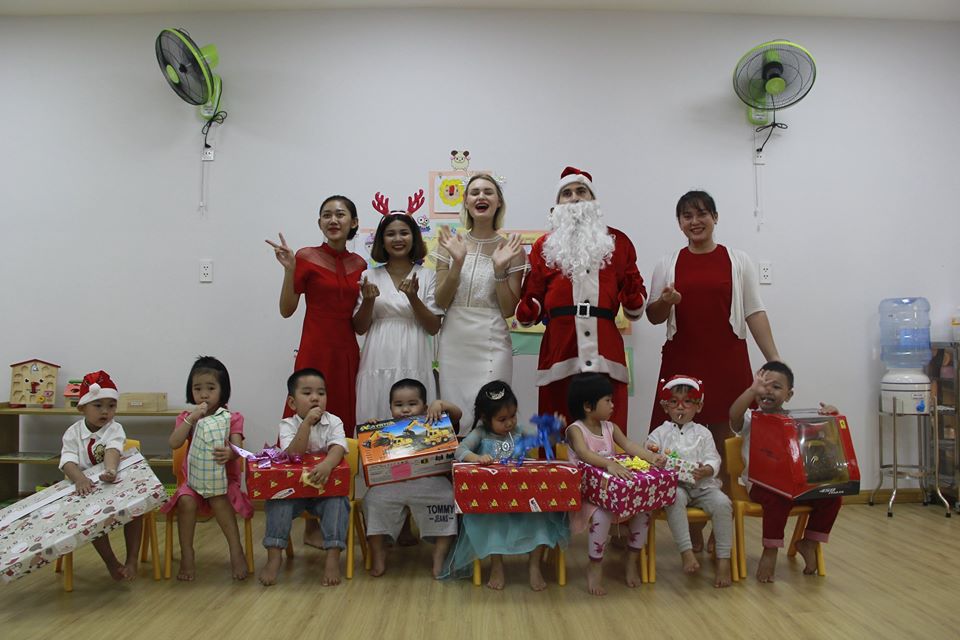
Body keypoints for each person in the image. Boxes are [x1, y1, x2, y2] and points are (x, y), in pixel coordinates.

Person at [515, 167, 646, 429]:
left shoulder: (618, 242)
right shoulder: (543, 246)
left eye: (581, 191)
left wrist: (633, 296)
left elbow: (635, 304)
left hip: (606, 353)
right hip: (559, 351)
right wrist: (529, 307)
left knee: (608, 433)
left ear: (593, 199)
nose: (574, 198)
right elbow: (532, 298)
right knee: (558, 433)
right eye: (567, 193)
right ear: (557, 205)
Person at [442, 381, 570, 591]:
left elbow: (545, 440)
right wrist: (477, 458)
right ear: (485, 418)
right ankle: (496, 565)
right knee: (492, 523)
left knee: (541, 518)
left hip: (525, 499)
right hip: (493, 503)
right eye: (502, 419)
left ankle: (534, 565)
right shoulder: (481, 433)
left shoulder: (519, 431)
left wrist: (555, 429)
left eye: (512, 416)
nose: (510, 423)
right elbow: (459, 450)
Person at [729, 361, 842, 583]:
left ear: (788, 395)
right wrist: (751, 390)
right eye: (764, 385)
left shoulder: (795, 419)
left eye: (776, 387)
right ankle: (770, 551)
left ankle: (809, 542)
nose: (768, 391)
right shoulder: (751, 418)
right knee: (777, 498)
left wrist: (830, 415)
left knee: (832, 496)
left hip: (796, 484)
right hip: (760, 485)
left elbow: (820, 443)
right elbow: (734, 415)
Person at [434, 174, 526, 432]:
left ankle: (491, 459)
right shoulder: (449, 244)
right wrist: (457, 264)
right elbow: (441, 300)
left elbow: (508, 310)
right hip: (455, 340)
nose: (481, 197)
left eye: (488, 192)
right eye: (474, 192)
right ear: (465, 201)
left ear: (499, 202)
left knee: (494, 411)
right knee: (455, 416)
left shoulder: (513, 248)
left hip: (492, 339)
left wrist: (499, 270)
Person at [266, 195, 366, 434]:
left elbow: (359, 322)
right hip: (314, 347)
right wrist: (289, 271)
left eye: (340, 215)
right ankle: (296, 457)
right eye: (326, 215)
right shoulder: (306, 256)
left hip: (346, 351)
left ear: (353, 222)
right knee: (304, 410)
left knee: (342, 416)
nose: (333, 220)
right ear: (319, 222)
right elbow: (286, 310)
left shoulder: (360, 264)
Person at [564, 373, 666, 596]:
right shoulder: (575, 430)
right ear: (588, 406)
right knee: (602, 515)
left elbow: (629, 445)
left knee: (645, 510)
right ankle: (595, 565)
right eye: (607, 400)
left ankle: (631, 559)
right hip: (588, 497)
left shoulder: (611, 428)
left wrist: (651, 457)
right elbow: (583, 453)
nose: (613, 405)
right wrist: (609, 464)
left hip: (615, 494)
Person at [160, 356, 252, 581]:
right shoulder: (187, 417)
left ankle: (236, 550)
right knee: (186, 501)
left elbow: (238, 448)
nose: (204, 394)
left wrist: (231, 453)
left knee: (218, 498)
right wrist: (191, 420)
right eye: (197, 389)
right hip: (193, 481)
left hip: (222, 481)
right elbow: (174, 443)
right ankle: (187, 554)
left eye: (211, 388)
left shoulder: (231, 418)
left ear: (223, 390)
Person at [259, 368, 350, 587]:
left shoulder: (334, 421)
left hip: (325, 491)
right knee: (277, 502)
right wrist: (306, 424)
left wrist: (328, 464)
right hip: (294, 493)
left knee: (338, 503)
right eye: (307, 393)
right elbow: (294, 454)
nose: (315, 398)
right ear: (292, 402)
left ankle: (332, 558)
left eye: (321, 393)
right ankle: (274, 557)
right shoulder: (287, 425)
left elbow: (338, 448)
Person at [363, 378, 461, 578]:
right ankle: (379, 553)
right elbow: (369, 446)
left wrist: (441, 404)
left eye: (412, 404)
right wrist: (371, 429)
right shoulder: (385, 430)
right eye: (398, 405)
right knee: (372, 501)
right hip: (392, 483)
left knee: (449, 498)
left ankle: (439, 554)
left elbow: (458, 414)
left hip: (431, 481)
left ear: (424, 407)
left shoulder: (433, 420)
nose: (405, 410)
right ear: (390, 408)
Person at [354, 212, 442, 425]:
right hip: (378, 353)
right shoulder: (368, 275)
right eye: (390, 234)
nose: (398, 239)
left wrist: (413, 297)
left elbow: (433, 327)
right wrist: (368, 300)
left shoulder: (428, 275)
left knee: (415, 416)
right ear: (381, 240)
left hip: (415, 352)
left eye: (404, 233)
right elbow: (359, 328)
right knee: (376, 412)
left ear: (414, 238)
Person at [645, 375, 733, 588]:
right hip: (676, 487)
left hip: (703, 487)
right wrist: (657, 460)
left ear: (698, 406)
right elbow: (648, 455)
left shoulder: (704, 433)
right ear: (665, 406)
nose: (680, 407)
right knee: (674, 498)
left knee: (723, 504)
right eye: (674, 402)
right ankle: (686, 552)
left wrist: (707, 469)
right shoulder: (659, 433)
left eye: (687, 402)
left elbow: (713, 458)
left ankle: (724, 559)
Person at [58, 370, 143, 581]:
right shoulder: (72, 433)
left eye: (111, 406)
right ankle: (111, 562)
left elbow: (113, 449)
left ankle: (132, 560)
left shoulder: (115, 428)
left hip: (113, 483)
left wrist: (111, 470)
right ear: (82, 408)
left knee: (136, 509)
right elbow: (67, 461)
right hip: (86, 489)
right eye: (98, 406)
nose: (105, 411)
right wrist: (80, 479)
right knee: (92, 519)